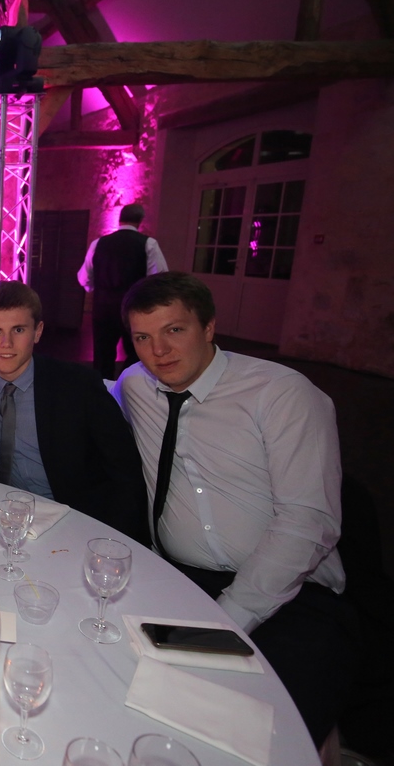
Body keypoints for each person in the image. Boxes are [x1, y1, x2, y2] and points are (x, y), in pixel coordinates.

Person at [114, 272, 355, 746]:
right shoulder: (135, 385)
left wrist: (229, 618)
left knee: (263, 739)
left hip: (292, 596)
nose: (158, 351)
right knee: (126, 697)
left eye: (174, 330)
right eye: (142, 337)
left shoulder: (281, 394)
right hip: (181, 583)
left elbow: (309, 521)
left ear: (208, 327)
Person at [0, 281, 149, 545]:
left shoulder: (78, 386)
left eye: (18, 330)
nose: (6, 343)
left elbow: (125, 471)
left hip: (73, 521)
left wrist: (119, 542)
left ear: (37, 332)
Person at [77, 203, 169, 380]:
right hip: (134, 307)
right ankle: (127, 385)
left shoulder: (98, 243)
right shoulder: (148, 244)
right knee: (136, 352)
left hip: (103, 307)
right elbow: (158, 279)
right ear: (140, 220)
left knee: (102, 355)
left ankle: (102, 389)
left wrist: (98, 288)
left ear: (120, 219)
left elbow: (84, 278)